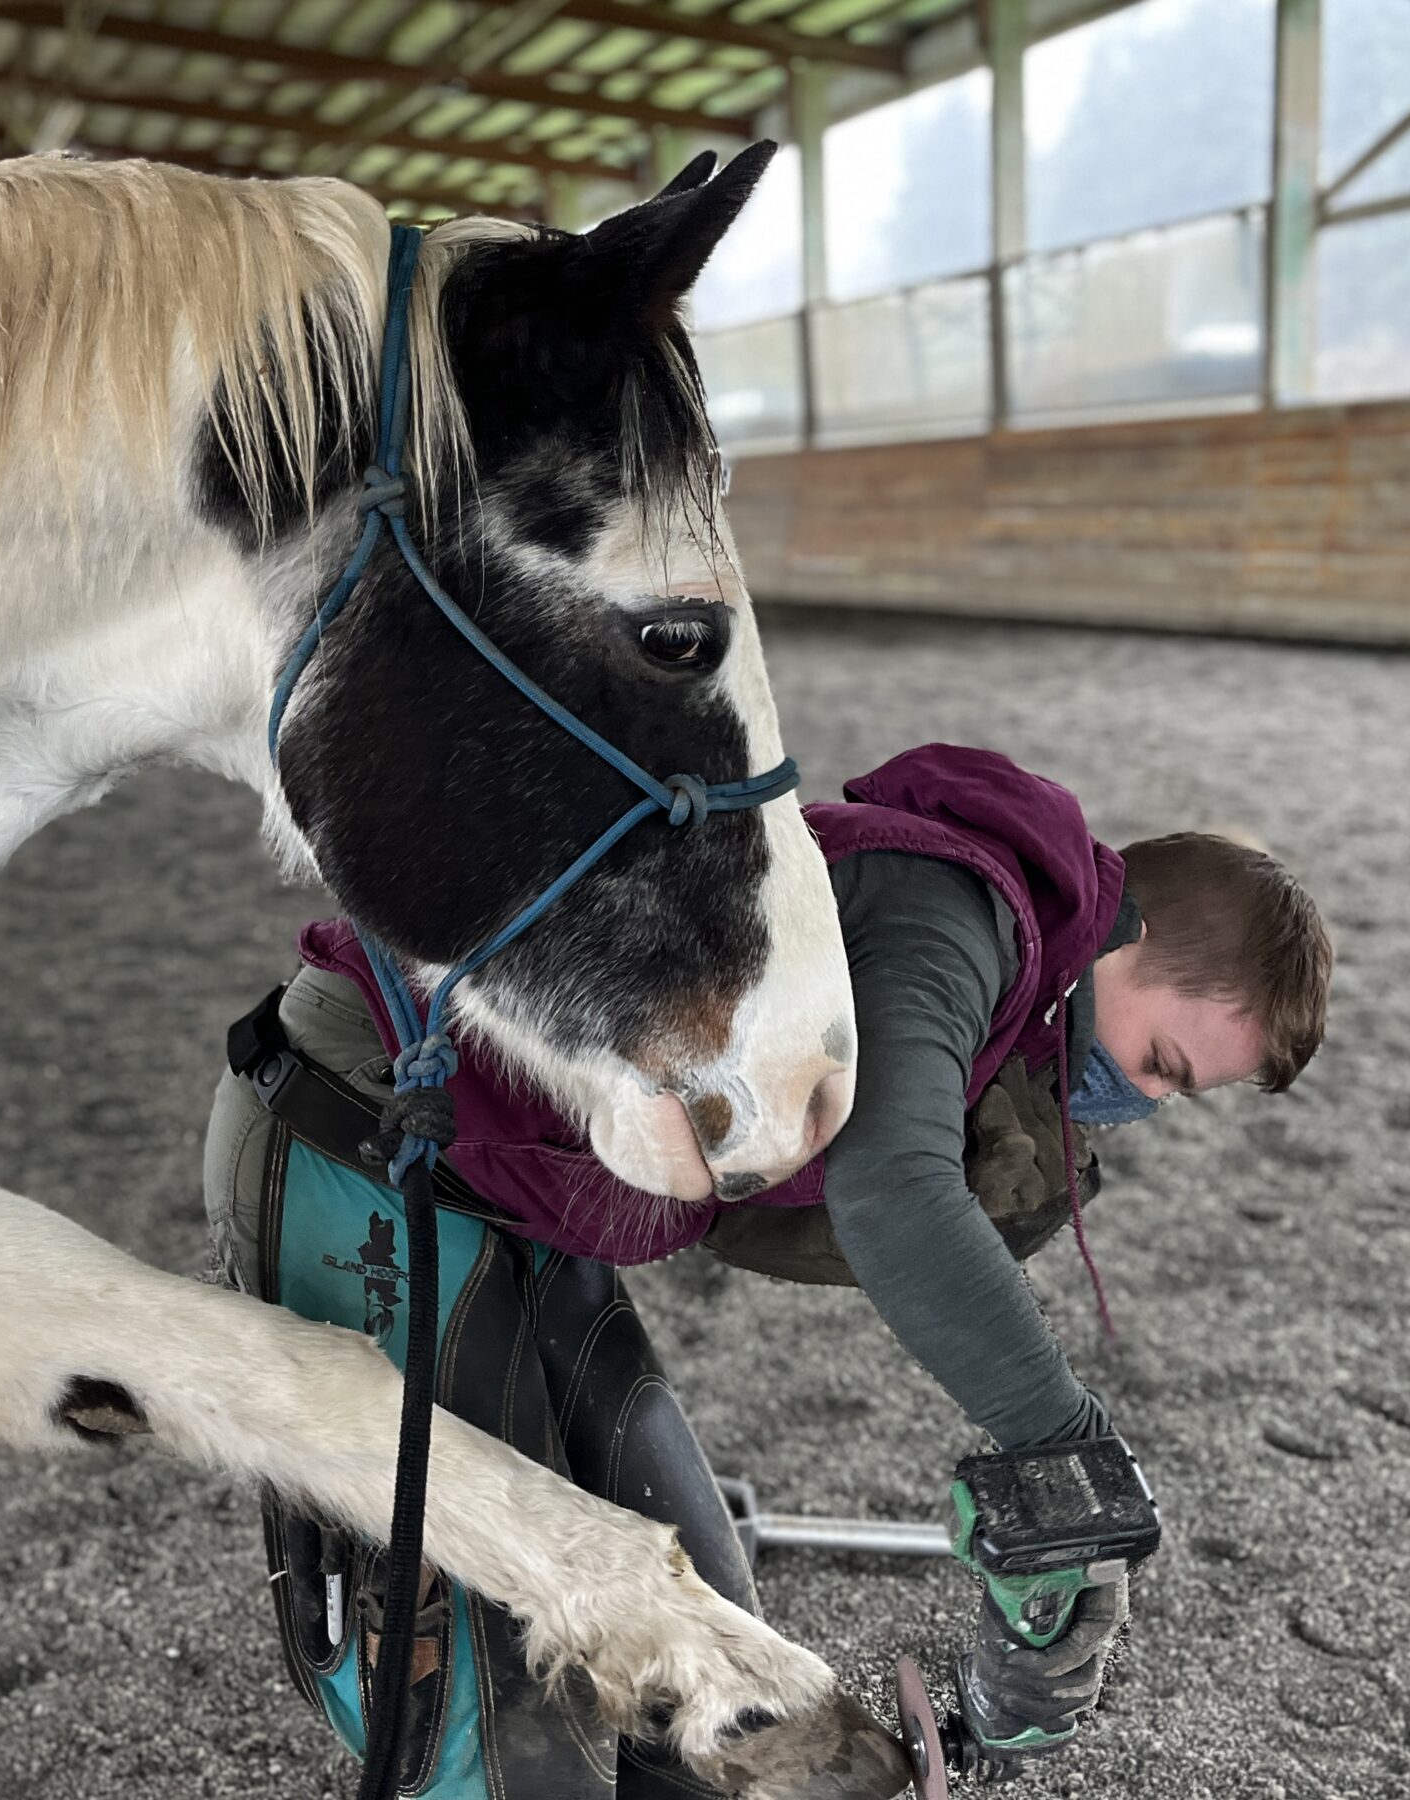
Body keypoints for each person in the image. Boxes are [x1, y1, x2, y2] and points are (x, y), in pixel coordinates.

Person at [203, 741, 1333, 1798]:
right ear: (1118, 937)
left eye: (1183, 1093)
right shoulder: (952, 912)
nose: (1147, 1101)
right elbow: (896, 1191)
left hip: (528, 1209)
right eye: (1161, 1063)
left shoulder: (1012, 979)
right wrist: (1060, 1443)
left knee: (707, 1658)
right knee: (491, 1717)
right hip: (367, 1142)